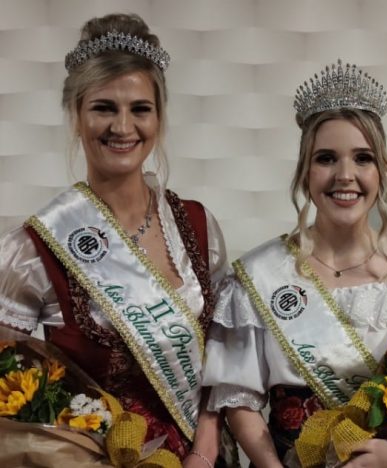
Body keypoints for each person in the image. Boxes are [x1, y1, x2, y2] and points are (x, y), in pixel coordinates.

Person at [0, 13, 234, 465]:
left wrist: (205, 450)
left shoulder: (199, 227)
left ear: (159, 118)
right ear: (76, 115)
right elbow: (11, 392)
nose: (123, 127)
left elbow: (226, 355)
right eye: (104, 107)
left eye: (139, 109)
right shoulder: (33, 249)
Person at [202, 60, 387, 467]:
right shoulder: (260, 276)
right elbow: (241, 401)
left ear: (382, 171)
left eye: (362, 158)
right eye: (326, 158)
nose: (345, 175)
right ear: (305, 173)